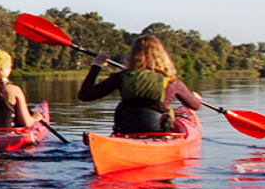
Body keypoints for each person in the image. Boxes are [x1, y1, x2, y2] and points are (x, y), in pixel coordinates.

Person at [75, 35, 205, 135]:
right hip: (158, 133)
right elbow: (195, 105)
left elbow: (85, 95)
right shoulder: (171, 81)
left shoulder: (121, 77)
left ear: (132, 55)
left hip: (127, 131)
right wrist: (197, 98)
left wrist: (97, 65)